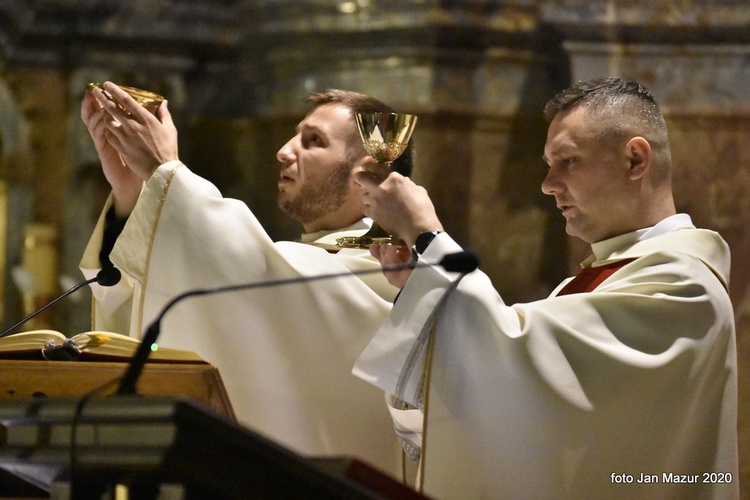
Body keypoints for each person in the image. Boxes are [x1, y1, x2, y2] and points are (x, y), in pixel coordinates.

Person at [353, 77, 739, 498]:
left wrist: (427, 236)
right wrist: (421, 284)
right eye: (548, 165)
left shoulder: (682, 286)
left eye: (568, 161)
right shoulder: (590, 282)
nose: (548, 184)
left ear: (634, 160)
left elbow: (511, 354)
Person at [79, 83, 413, 475]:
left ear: (369, 176)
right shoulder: (314, 259)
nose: (284, 151)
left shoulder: (393, 273)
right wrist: (133, 195)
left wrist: (165, 174)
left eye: (313, 141)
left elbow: (259, 272)